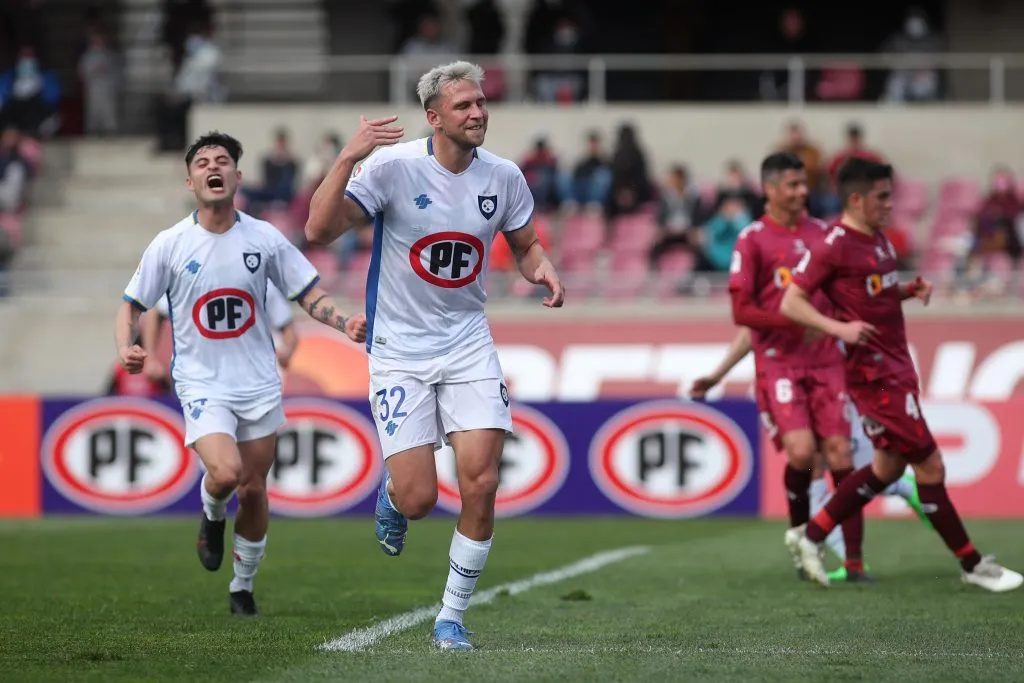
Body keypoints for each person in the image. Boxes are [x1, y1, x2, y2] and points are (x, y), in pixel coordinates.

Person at [303, 61, 565, 650]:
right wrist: (347, 158)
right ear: (434, 117)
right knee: (420, 498)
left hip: (468, 340)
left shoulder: (503, 176)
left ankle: (451, 616)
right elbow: (319, 231)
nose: (479, 113)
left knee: (482, 480)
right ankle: (394, 493)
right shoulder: (392, 168)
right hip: (399, 348)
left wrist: (540, 266)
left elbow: (525, 244)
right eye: (465, 106)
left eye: (481, 102)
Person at [115, 131, 367, 616]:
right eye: (204, 161)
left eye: (223, 160)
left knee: (253, 489)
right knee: (226, 473)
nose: (215, 167)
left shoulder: (264, 238)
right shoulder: (170, 244)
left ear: (238, 176)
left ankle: (242, 586)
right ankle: (211, 516)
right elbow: (130, 305)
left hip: (258, 384)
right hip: (202, 382)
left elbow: (308, 294)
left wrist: (342, 321)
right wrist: (129, 346)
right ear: (191, 180)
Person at [779, 157, 1023, 592]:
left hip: (896, 367)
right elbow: (791, 301)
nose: (891, 205)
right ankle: (971, 564)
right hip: (874, 378)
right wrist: (838, 328)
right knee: (929, 465)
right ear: (856, 199)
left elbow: (871, 295)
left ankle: (810, 534)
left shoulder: (879, 240)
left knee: (887, 469)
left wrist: (906, 291)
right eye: (882, 197)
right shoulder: (834, 243)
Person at [689, 325, 931, 582]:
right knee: (809, 465)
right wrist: (717, 375)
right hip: (781, 383)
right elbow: (752, 329)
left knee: (856, 471)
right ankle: (842, 559)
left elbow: (856, 310)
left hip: (826, 378)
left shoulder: (816, 293)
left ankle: (896, 493)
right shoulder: (770, 296)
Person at [726, 152, 868, 581]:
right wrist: (796, 319)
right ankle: (801, 537)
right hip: (780, 363)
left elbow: (848, 293)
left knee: (842, 453)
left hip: (827, 360)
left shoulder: (825, 235)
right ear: (770, 189)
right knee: (804, 454)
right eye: (792, 185)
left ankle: (856, 562)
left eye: (804, 184)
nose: (802, 191)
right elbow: (742, 312)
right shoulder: (752, 240)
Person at [142, 279, 300, 380]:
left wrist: (287, 350)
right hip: (198, 374)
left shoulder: (262, 281)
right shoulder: (190, 275)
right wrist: (151, 358)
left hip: (251, 376)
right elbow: (156, 313)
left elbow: (288, 329)